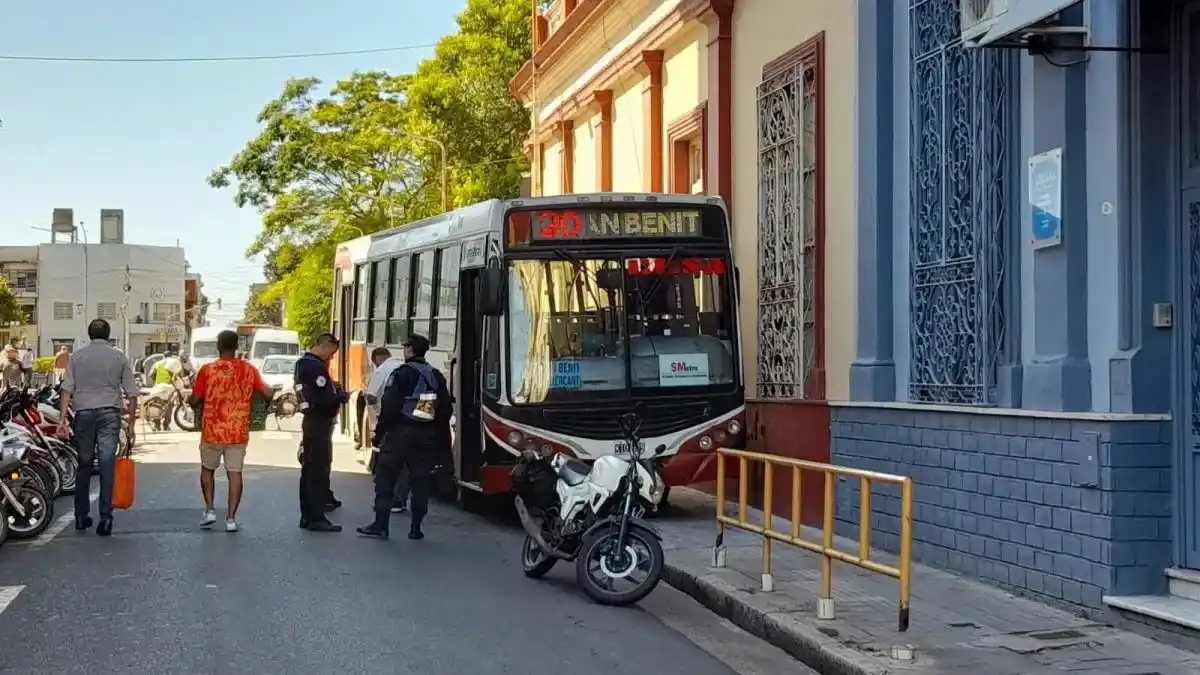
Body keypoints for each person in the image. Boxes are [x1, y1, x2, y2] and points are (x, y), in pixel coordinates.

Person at [357, 334, 451, 540]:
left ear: (409, 349)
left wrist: (379, 434)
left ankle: (381, 524)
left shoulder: (401, 373)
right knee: (420, 482)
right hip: (425, 435)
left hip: (400, 434)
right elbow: (445, 409)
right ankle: (416, 528)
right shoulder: (435, 375)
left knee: (385, 478)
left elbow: (390, 406)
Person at [57, 319, 139, 536]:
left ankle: (81, 516)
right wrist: (130, 422)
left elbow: (67, 389)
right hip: (110, 414)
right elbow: (132, 393)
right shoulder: (118, 356)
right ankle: (106, 518)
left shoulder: (77, 357)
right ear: (108, 334)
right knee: (106, 464)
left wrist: (62, 419)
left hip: (83, 414)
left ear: (89, 334)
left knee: (84, 465)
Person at [187, 330, 273, 532]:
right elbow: (268, 392)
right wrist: (263, 402)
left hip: (212, 430)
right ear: (237, 347)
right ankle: (231, 519)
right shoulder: (248, 370)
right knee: (235, 474)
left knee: (207, 470)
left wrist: (190, 401)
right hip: (238, 430)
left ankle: (209, 510)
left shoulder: (207, 370)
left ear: (218, 346)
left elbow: (196, 398)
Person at [295, 333, 348, 532]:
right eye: (332, 353)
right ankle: (315, 517)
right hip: (319, 422)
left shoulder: (303, 363)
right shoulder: (314, 366)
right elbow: (324, 397)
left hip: (312, 421)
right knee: (318, 470)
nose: (331, 357)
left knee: (309, 469)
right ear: (324, 346)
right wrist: (340, 396)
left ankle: (307, 515)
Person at [363, 346, 410, 514]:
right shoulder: (406, 367)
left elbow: (371, 396)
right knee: (406, 464)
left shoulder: (381, 370)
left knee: (387, 467)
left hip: (391, 424)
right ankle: (401, 499)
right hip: (411, 424)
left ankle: (386, 507)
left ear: (376, 360)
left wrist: (375, 413)